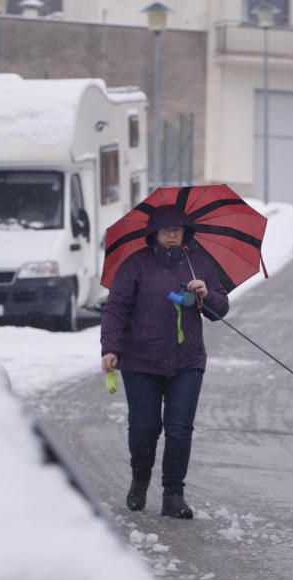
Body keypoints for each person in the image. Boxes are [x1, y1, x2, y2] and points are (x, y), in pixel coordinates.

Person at [100, 204, 229, 519]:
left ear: (186, 232)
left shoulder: (198, 263)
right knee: (145, 428)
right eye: (166, 230)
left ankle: (174, 495)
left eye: (178, 230)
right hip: (140, 360)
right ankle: (140, 481)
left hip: (187, 361)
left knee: (179, 429)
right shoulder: (136, 265)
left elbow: (219, 309)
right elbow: (116, 308)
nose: (172, 235)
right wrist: (110, 347)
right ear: (154, 233)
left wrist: (206, 295)